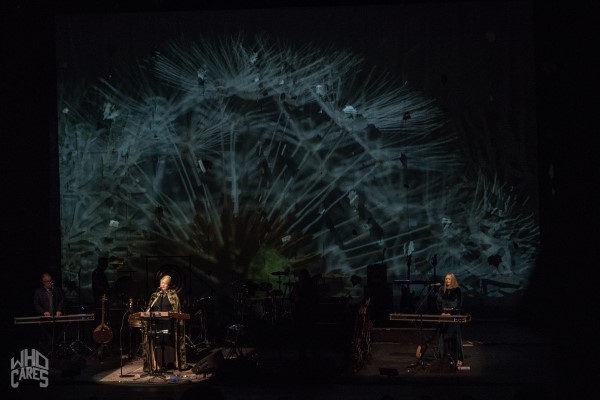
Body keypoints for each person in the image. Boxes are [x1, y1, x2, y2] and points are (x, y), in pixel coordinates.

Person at [142, 275, 187, 372]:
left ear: (168, 285)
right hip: (156, 323)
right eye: (161, 283)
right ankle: (157, 364)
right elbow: (150, 308)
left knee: (168, 342)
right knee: (157, 342)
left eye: (164, 284)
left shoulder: (173, 295)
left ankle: (169, 362)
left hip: (169, 323)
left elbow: (176, 310)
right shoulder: (155, 295)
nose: (162, 285)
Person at [33, 272, 65, 356]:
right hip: (45, 320)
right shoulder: (38, 292)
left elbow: (61, 300)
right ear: (43, 282)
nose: (50, 282)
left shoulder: (56, 290)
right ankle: (46, 355)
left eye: (50, 280)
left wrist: (59, 310)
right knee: (46, 338)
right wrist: (43, 312)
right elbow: (36, 304)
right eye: (47, 281)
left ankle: (57, 353)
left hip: (56, 319)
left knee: (57, 337)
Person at [436, 272, 464, 368]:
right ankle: (443, 357)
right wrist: (442, 312)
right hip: (444, 316)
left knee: (453, 337)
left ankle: (456, 358)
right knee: (444, 336)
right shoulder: (441, 290)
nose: (447, 280)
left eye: (449, 279)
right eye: (446, 279)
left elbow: (459, 304)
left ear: (452, 280)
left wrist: (451, 313)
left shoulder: (457, 290)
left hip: (453, 316)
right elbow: (438, 303)